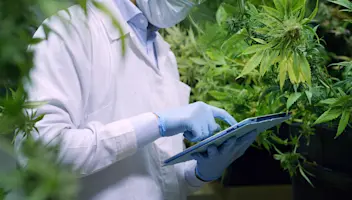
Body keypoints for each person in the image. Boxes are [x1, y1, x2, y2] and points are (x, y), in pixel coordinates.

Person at [17, 0, 259, 199]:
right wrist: (155, 124)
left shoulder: (163, 53)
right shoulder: (67, 31)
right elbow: (40, 153)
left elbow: (159, 181)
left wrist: (198, 174)